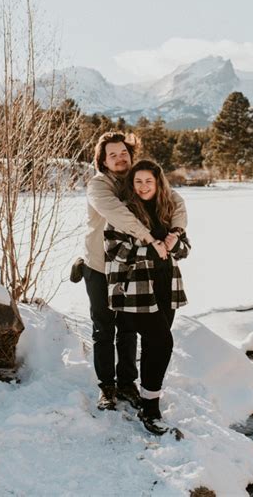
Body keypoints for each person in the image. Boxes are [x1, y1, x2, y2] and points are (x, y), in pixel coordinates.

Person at [79, 132, 187, 411]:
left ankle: (128, 382)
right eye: (112, 154)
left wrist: (176, 232)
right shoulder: (98, 185)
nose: (119, 158)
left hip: (131, 270)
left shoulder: (136, 181)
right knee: (104, 328)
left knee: (127, 329)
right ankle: (107, 386)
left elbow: (175, 201)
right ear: (102, 160)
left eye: (123, 152)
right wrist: (151, 240)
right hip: (101, 267)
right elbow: (120, 217)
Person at [104, 159, 190, 435]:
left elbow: (185, 249)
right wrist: (149, 251)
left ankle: (147, 397)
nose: (143, 187)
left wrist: (176, 244)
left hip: (167, 284)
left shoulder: (167, 211)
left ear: (158, 183)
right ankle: (150, 409)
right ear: (132, 184)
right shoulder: (124, 212)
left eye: (148, 181)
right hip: (137, 288)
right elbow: (114, 249)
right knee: (162, 342)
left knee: (155, 346)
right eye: (138, 181)